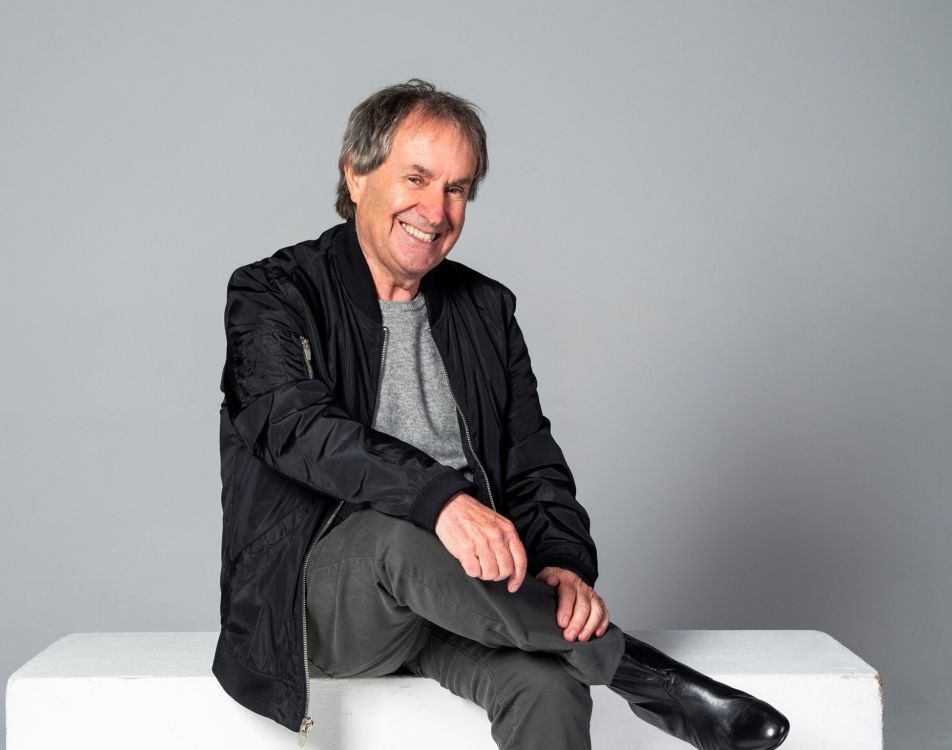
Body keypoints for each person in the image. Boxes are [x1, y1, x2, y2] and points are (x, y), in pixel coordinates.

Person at [213, 79, 790, 750]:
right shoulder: (272, 292)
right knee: (399, 536)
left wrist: (563, 563)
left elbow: (531, 458)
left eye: (457, 189)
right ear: (356, 173)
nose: (436, 210)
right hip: (321, 603)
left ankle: (591, 657)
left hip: (463, 599)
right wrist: (439, 501)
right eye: (417, 178)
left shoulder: (485, 309)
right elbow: (293, 427)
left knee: (549, 687)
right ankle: (642, 676)